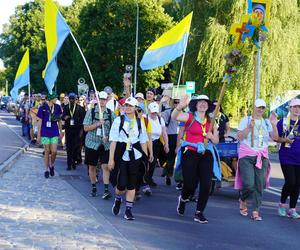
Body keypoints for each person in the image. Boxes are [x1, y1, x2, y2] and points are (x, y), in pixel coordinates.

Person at [172, 94, 220, 224]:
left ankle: (199, 213)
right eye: (200, 102)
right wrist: (180, 106)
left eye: (205, 102)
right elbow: (174, 116)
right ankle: (183, 199)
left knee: (206, 184)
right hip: (190, 152)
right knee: (190, 183)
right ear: (196, 105)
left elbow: (216, 141)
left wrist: (211, 136)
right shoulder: (190, 116)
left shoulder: (212, 121)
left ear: (208, 106)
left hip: (206, 153)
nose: (203, 104)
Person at [235, 99, 278, 221]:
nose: (260, 110)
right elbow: (239, 137)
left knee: (260, 185)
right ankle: (243, 198)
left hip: (262, 155)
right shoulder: (246, 120)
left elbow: (275, 138)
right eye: (258, 107)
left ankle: (255, 211)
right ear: (253, 107)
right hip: (247, 155)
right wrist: (249, 127)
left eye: (263, 107)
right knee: (249, 185)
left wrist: (274, 124)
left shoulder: (266, 122)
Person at [108, 97, 148, 220]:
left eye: (131, 106)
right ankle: (118, 198)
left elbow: (143, 141)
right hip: (121, 154)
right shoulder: (118, 121)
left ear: (136, 108)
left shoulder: (140, 122)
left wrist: (145, 158)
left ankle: (128, 210)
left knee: (132, 184)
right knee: (121, 184)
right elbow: (113, 141)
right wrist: (111, 159)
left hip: (135, 155)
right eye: (126, 105)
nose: (128, 107)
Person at [83, 91, 115, 198]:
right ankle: (94, 187)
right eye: (100, 99)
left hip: (105, 144)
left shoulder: (111, 113)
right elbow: (85, 128)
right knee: (92, 167)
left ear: (107, 100)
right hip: (92, 143)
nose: (102, 101)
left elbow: (114, 130)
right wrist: (97, 124)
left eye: (104, 99)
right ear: (97, 100)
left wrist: (109, 137)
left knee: (105, 166)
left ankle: (106, 190)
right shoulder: (91, 112)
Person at [276, 98, 300, 219]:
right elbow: (276, 138)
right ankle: (282, 204)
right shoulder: (283, 122)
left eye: (299, 107)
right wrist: (284, 140)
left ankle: (292, 209)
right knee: (290, 181)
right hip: (286, 156)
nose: (297, 109)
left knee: (297, 184)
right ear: (290, 108)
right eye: (295, 107)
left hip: (299, 157)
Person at [36, 93, 62, 178]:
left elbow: (60, 121)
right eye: (55, 98)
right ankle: (46, 170)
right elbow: (39, 122)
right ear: (51, 99)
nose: (56, 99)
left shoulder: (57, 107)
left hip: (54, 132)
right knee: (47, 151)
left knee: (54, 151)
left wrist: (61, 132)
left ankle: (52, 164)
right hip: (45, 132)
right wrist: (39, 134)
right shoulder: (42, 107)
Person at [144, 102, 169, 187]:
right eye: (152, 112)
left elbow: (164, 133)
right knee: (146, 161)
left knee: (153, 162)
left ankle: (149, 178)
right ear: (149, 110)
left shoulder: (160, 119)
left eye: (155, 112)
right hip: (145, 142)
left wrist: (166, 144)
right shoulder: (145, 118)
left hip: (156, 142)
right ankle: (145, 179)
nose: (154, 113)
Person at [62, 93, 86, 170]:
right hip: (68, 130)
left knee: (76, 147)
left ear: (75, 99)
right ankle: (69, 164)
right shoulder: (66, 107)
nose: (71, 100)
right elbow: (62, 117)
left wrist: (81, 131)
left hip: (77, 131)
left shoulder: (80, 108)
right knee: (69, 147)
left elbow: (83, 120)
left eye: (73, 99)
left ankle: (74, 162)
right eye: (70, 99)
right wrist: (64, 117)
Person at [161, 97, 180, 186]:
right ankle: (165, 169)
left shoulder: (184, 114)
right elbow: (158, 116)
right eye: (175, 102)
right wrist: (160, 103)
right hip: (168, 135)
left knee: (172, 157)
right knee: (166, 156)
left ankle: (168, 174)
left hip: (178, 137)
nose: (177, 104)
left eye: (178, 103)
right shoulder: (167, 112)